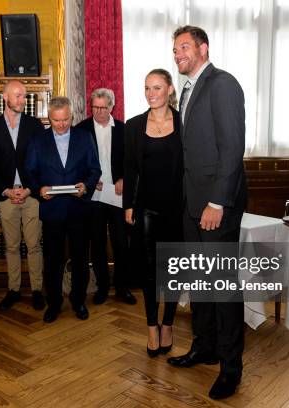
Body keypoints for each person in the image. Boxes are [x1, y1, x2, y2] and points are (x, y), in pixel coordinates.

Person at [167, 26, 248, 401]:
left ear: (203, 48)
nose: (177, 53)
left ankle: (231, 368)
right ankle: (204, 346)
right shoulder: (187, 90)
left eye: (184, 46)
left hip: (216, 204)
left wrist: (217, 202)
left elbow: (232, 147)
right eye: (174, 49)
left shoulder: (222, 83)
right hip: (190, 204)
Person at [25, 96, 101, 323]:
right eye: (56, 120)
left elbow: (94, 169)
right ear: (49, 118)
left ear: (72, 116)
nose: (61, 124)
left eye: (65, 120)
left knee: (80, 259)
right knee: (52, 261)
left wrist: (86, 186)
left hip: (78, 209)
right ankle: (54, 303)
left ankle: (78, 301)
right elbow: (29, 172)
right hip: (52, 210)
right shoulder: (38, 141)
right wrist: (40, 189)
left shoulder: (85, 137)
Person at [123, 69, 182, 357]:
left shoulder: (185, 123)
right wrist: (128, 206)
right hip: (145, 206)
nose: (151, 93)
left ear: (170, 89)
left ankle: (168, 324)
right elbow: (130, 168)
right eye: (147, 88)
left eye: (157, 87)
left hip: (177, 208)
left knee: (173, 269)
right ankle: (150, 326)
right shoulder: (133, 126)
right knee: (148, 271)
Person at [0, 80, 45, 311]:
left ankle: (37, 290)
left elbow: (41, 161)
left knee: (34, 245)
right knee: (11, 246)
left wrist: (29, 188)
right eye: (18, 96)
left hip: (31, 195)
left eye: (25, 96)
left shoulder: (35, 125)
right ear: (5, 97)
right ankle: (14, 289)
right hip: (6, 196)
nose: (23, 100)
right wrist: (7, 190)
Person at [75, 88, 136, 306]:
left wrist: (124, 180)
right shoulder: (81, 129)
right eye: (95, 107)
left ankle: (122, 288)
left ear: (112, 107)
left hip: (117, 195)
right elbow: (74, 162)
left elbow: (132, 161)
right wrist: (89, 179)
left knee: (121, 243)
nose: (99, 112)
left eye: (103, 107)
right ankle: (102, 288)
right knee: (97, 243)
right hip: (93, 196)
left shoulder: (123, 129)